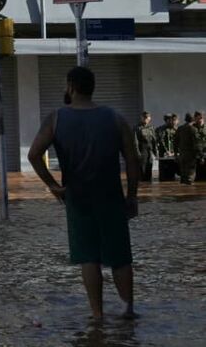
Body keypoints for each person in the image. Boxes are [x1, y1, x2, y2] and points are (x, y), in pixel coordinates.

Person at [27, 66, 138, 322]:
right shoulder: (115, 118)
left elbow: (33, 155)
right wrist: (132, 196)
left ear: (70, 87)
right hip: (111, 196)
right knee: (120, 256)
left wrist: (53, 185)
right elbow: (133, 160)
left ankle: (97, 316)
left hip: (77, 198)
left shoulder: (56, 118)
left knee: (89, 257)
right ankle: (127, 311)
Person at [175, 112, 197, 185]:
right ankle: (189, 190)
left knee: (183, 172)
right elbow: (195, 143)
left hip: (182, 153)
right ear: (192, 120)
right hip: (190, 154)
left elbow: (175, 142)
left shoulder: (180, 128)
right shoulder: (193, 129)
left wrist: (175, 154)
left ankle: (183, 186)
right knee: (190, 172)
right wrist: (198, 153)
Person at [134, 111, 157, 183]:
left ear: (150, 118)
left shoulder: (151, 127)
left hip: (150, 148)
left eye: (147, 118)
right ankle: (142, 182)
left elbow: (154, 140)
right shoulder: (137, 128)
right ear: (142, 118)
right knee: (142, 167)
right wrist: (137, 152)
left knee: (150, 165)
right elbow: (135, 141)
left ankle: (148, 181)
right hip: (142, 148)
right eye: (144, 118)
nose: (146, 119)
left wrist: (155, 152)